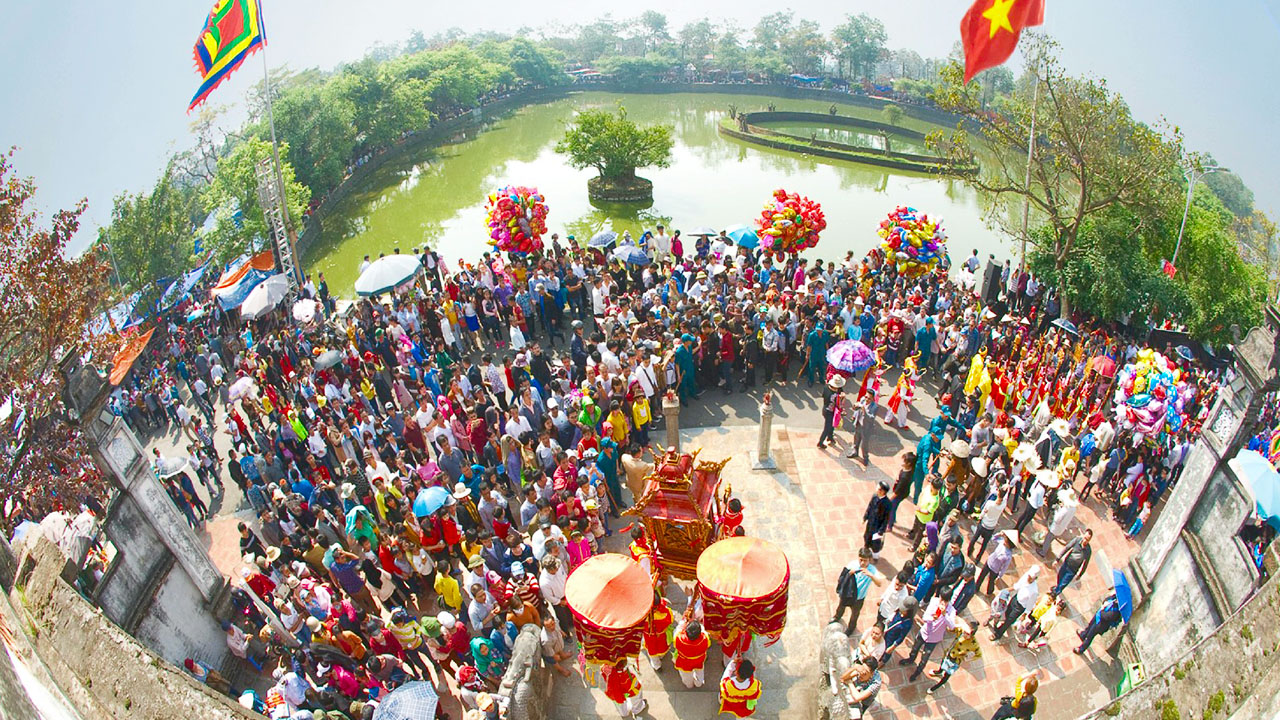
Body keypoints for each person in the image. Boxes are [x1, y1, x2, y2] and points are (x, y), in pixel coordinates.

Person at [833, 548, 885, 633]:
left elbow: (879, 584)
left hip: (859, 598)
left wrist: (870, 575)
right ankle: (837, 617)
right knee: (841, 606)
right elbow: (842, 576)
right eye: (861, 560)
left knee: (855, 614)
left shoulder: (872, 570)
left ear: (869, 560)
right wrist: (850, 573)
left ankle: (851, 628)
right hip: (848, 594)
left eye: (865, 560)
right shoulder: (852, 564)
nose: (862, 563)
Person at [925, 624, 981, 695]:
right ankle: (939, 672)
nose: (964, 634)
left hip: (955, 661)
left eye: (967, 634)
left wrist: (968, 659)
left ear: (972, 635)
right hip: (949, 653)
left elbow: (979, 654)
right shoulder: (961, 631)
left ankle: (934, 688)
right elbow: (951, 629)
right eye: (965, 632)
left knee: (946, 675)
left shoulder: (974, 644)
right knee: (942, 664)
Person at [672, 615, 711, 689]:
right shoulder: (705, 639)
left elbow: (678, 630)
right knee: (699, 673)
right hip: (699, 660)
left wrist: (683, 622)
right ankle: (698, 683)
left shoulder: (679, 639)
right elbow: (704, 631)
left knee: (686, 676)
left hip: (684, 662)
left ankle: (689, 685)